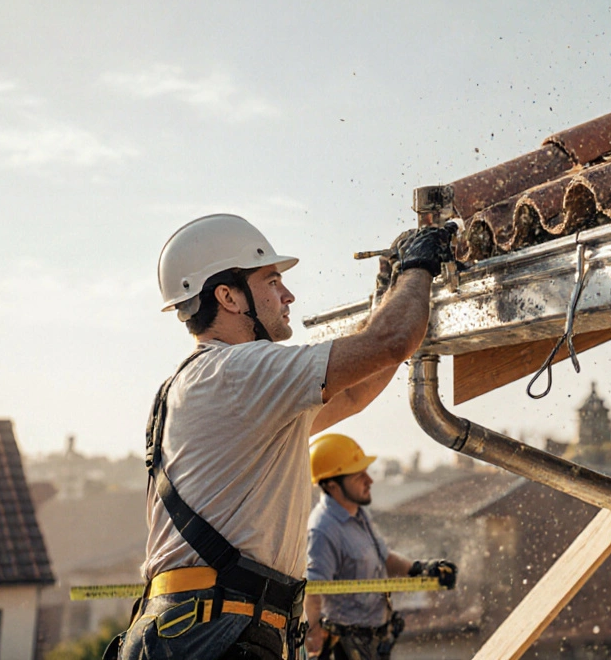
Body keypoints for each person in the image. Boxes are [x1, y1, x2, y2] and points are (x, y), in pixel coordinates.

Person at [111, 213, 454, 660]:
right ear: (228, 296)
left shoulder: (221, 388)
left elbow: (353, 392)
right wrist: (419, 265)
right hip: (215, 633)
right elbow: (390, 342)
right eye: (272, 281)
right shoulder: (236, 372)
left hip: (208, 629)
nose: (288, 294)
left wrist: (391, 290)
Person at [304, 434, 457, 659]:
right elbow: (314, 590)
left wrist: (420, 569)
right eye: (359, 476)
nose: (369, 480)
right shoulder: (323, 529)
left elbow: (384, 559)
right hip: (344, 648)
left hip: (372, 642)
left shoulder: (359, 514)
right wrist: (313, 632)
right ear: (333, 485)